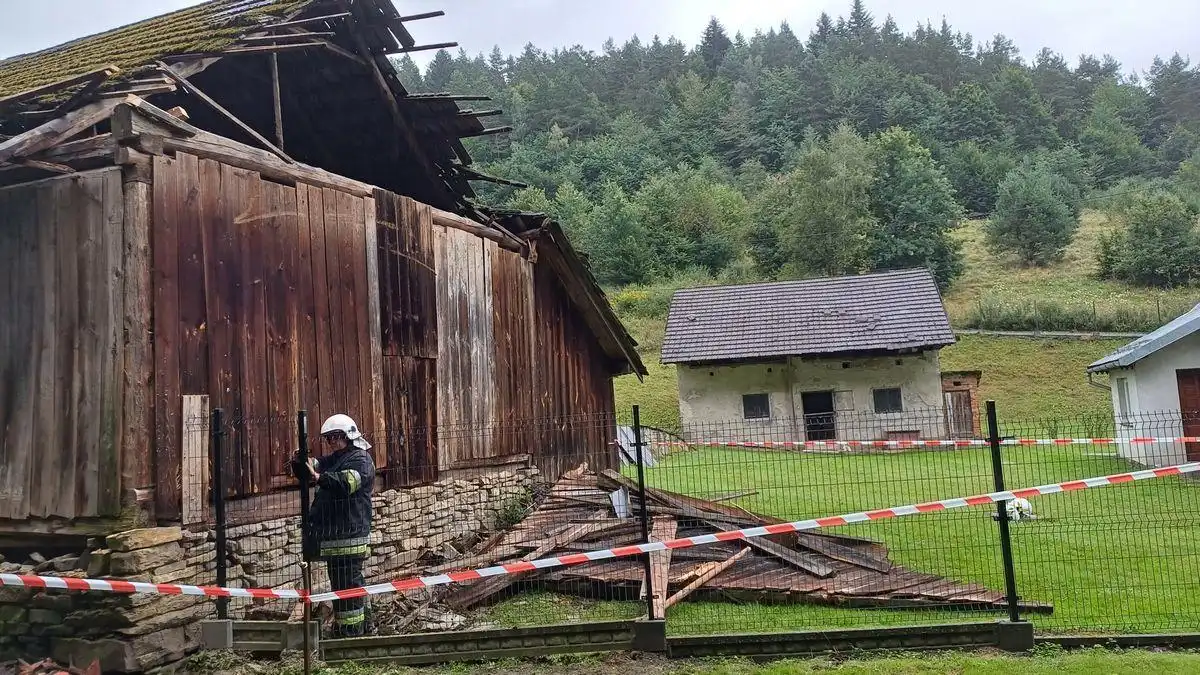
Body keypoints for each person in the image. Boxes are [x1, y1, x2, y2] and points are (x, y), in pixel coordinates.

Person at [292, 413, 376, 638]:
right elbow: (312, 468)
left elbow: (345, 483)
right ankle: (364, 627)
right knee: (345, 586)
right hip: (334, 538)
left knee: (347, 587)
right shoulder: (335, 459)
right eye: (328, 438)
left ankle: (351, 634)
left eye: (335, 437)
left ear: (348, 436)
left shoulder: (361, 460)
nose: (331, 442)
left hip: (350, 535)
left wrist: (318, 477)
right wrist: (299, 462)